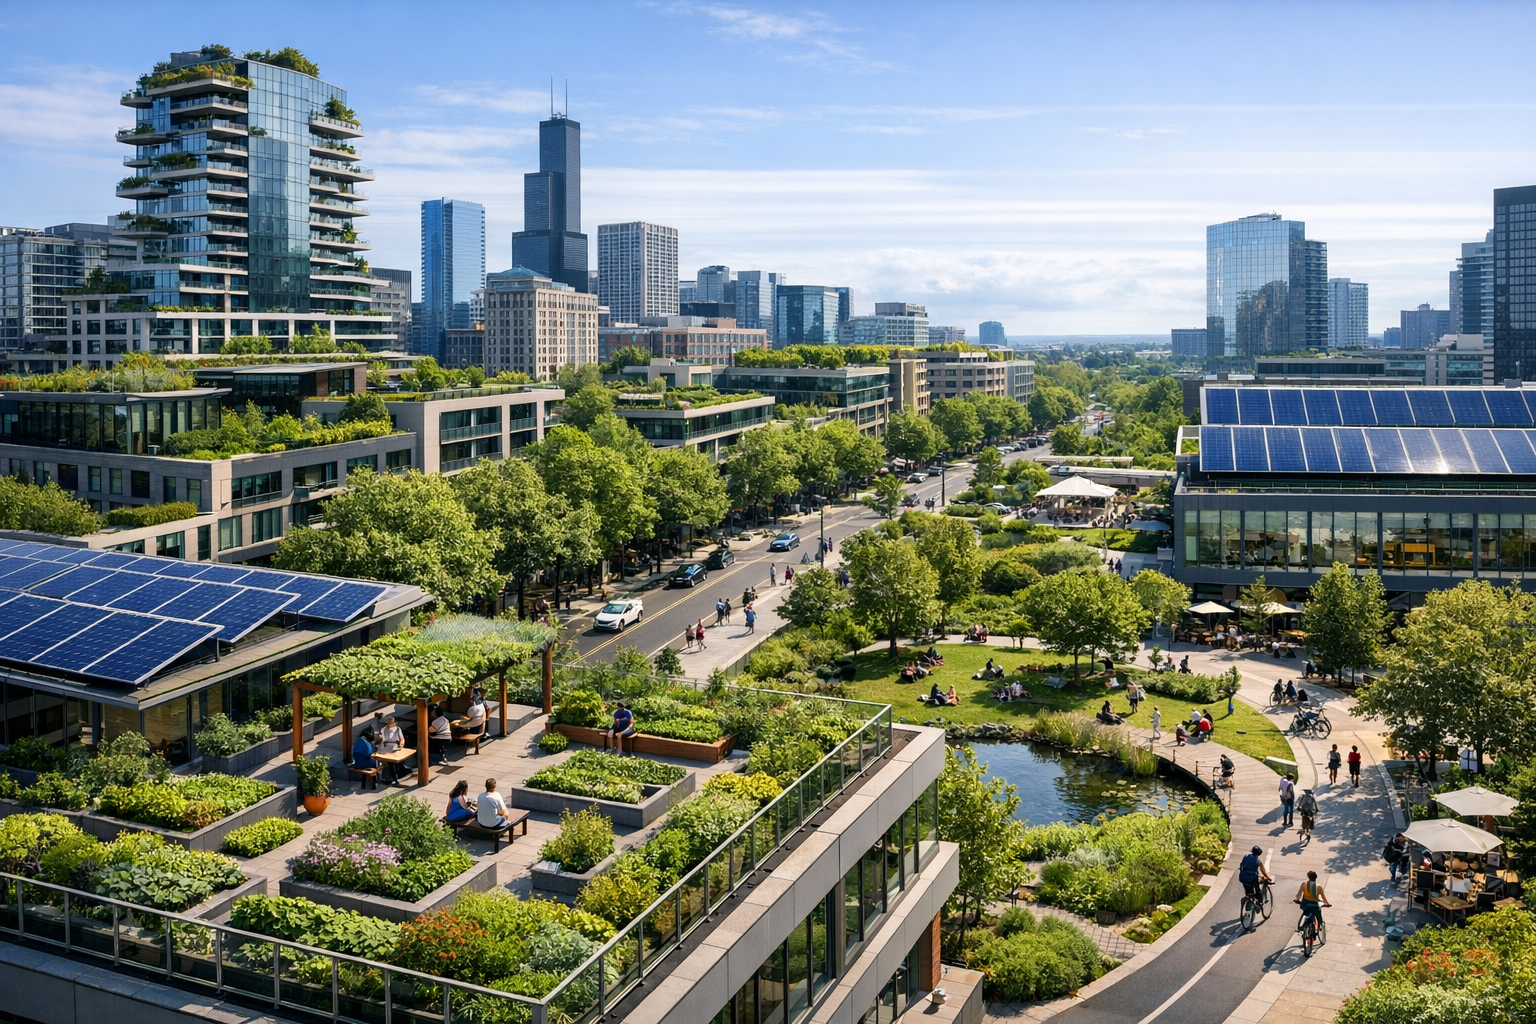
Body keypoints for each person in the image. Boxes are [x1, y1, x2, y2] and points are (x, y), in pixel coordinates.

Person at [1295, 870, 1330, 935]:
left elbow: (1298, 895)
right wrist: (1327, 904)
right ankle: (1320, 924)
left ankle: (1303, 925)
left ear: (1308, 877)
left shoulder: (1304, 884)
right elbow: (1323, 898)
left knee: (1306, 912)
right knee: (1318, 913)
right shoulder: (1319, 887)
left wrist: (1297, 900)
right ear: (1316, 877)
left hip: (1305, 905)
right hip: (1315, 906)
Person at [378, 715, 405, 784]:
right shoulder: (383, 729)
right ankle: (392, 778)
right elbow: (381, 740)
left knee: (394, 763)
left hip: (394, 746)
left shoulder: (397, 729)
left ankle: (396, 778)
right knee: (389, 764)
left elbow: (402, 739)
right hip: (386, 746)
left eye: (391, 721)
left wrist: (401, 746)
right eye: (388, 721)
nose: (389, 723)